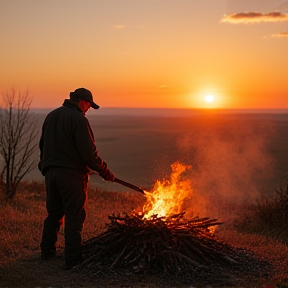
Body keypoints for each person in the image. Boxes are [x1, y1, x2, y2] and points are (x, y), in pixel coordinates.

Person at [38, 87, 115, 270]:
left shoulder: (51, 116)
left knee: (54, 215)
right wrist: (105, 171)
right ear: (81, 101)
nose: (88, 108)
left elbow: (42, 146)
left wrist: (45, 168)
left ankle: (47, 253)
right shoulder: (79, 120)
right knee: (74, 216)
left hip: (51, 174)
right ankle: (73, 259)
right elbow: (89, 153)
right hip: (71, 176)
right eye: (89, 104)